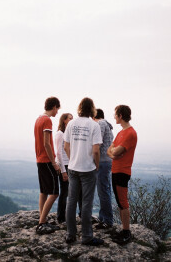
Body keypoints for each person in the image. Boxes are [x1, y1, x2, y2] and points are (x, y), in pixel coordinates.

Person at [64, 97, 104, 246]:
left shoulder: (71, 124)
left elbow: (66, 147)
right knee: (87, 202)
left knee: (71, 201)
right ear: (92, 109)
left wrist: (72, 159)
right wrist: (97, 165)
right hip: (88, 169)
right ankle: (86, 237)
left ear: (80, 108)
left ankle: (70, 234)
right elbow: (96, 150)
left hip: (73, 168)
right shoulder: (94, 126)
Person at [107, 105, 137, 245]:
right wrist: (114, 152)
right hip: (115, 170)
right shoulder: (120, 133)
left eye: (115, 114)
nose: (114, 117)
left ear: (120, 115)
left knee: (123, 202)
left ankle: (126, 232)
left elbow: (115, 151)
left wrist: (114, 152)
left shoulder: (130, 133)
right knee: (120, 201)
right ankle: (124, 230)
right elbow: (110, 151)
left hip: (122, 171)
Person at [34, 96, 61, 235]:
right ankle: (42, 222)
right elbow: (46, 143)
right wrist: (54, 162)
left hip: (40, 159)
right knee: (55, 192)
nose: (57, 112)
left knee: (44, 190)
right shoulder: (47, 120)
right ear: (54, 106)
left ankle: (42, 219)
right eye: (57, 109)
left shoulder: (38, 119)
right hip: (46, 160)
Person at [93, 109, 114, 229]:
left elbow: (97, 142)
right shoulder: (107, 125)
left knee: (103, 191)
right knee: (105, 190)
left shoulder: (100, 124)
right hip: (107, 162)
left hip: (102, 162)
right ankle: (103, 217)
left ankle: (107, 220)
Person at [55, 113, 73, 223]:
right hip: (64, 166)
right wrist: (63, 171)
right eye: (70, 118)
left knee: (68, 192)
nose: (72, 120)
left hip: (68, 165)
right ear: (64, 120)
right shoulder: (60, 134)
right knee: (64, 192)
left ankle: (63, 216)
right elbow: (58, 153)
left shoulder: (67, 134)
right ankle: (61, 217)